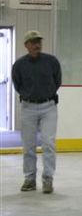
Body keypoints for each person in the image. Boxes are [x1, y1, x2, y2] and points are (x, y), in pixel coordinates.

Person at [11, 30, 62, 194]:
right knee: (29, 145)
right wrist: (29, 96)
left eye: (38, 41)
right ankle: (30, 179)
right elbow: (17, 85)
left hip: (49, 107)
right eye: (33, 42)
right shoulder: (19, 65)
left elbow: (57, 81)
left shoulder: (51, 62)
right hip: (28, 107)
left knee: (48, 143)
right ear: (26, 45)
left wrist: (45, 94)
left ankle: (48, 178)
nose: (37, 45)